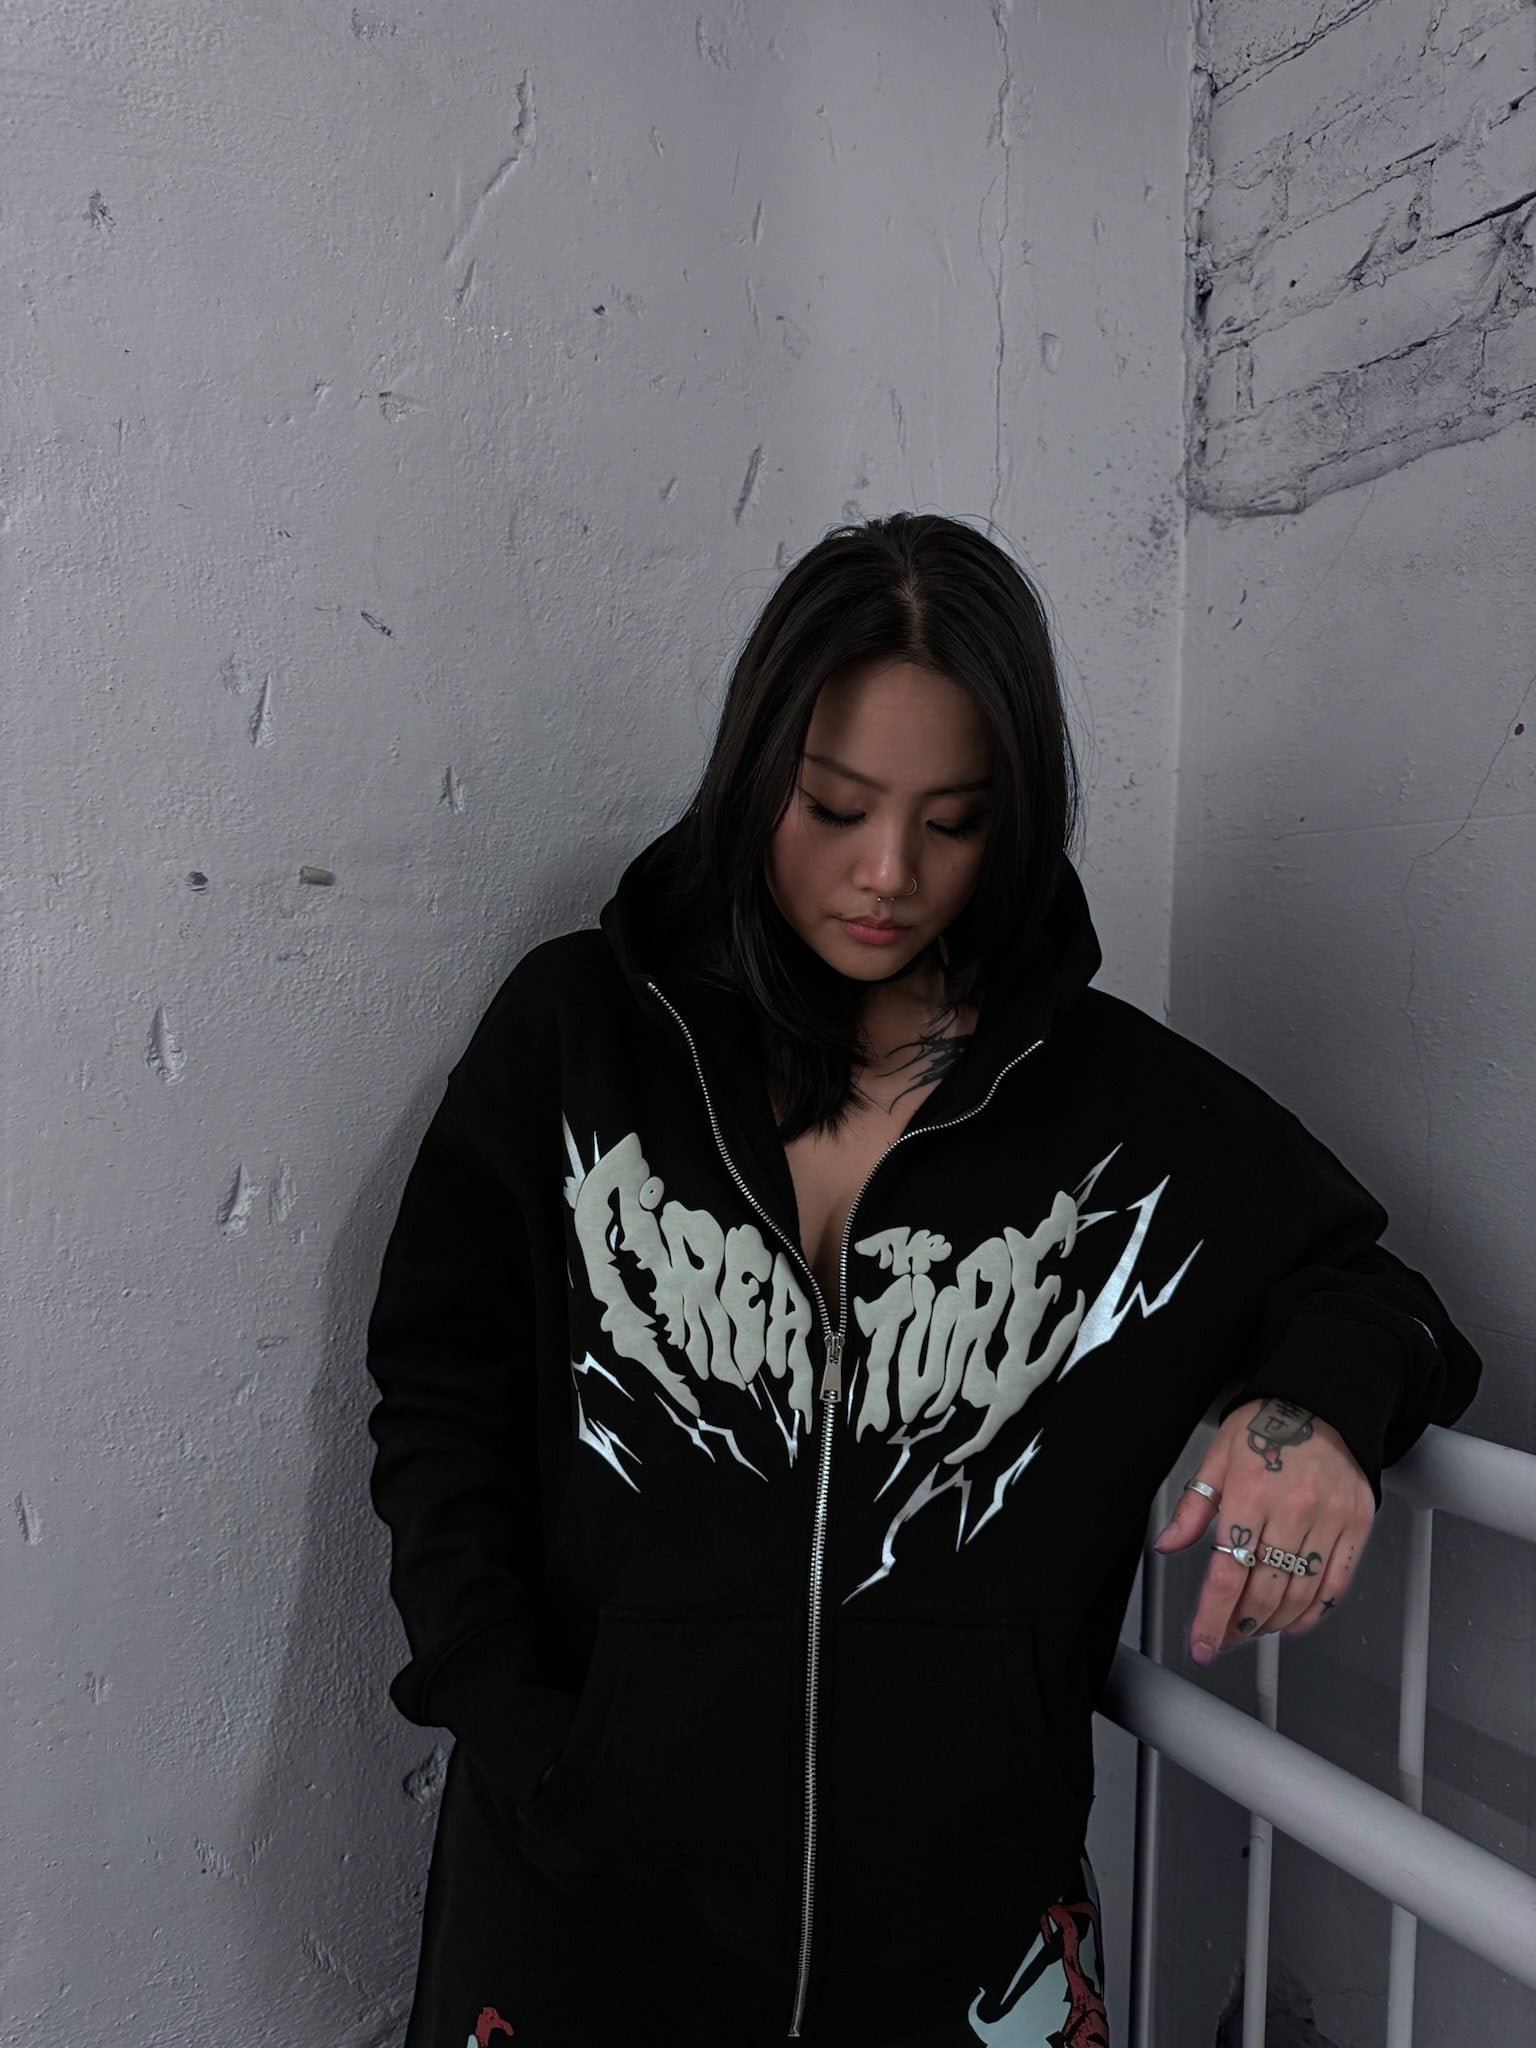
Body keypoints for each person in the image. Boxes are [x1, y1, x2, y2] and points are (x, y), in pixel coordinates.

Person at [362, 512, 1482, 2047]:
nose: (886, 874)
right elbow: (439, 1390)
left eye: (953, 823)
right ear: (756, 772)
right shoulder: (579, 1038)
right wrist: (522, 1728)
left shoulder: (1117, 1118)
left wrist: (1311, 1414)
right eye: (834, 807)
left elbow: (1378, 1296)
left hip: (963, 1939)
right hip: (576, 1900)